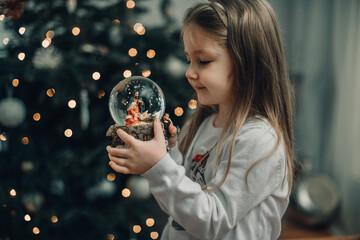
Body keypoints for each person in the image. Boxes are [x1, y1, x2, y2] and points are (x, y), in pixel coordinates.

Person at [106, 0, 295, 239]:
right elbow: (180, 207)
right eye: (188, 60)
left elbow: (212, 222)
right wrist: (167, 156)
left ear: (248, 63)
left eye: (203, 61)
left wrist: (158, 168)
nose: (189, 72)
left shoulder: (259, 140)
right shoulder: (203, 124)